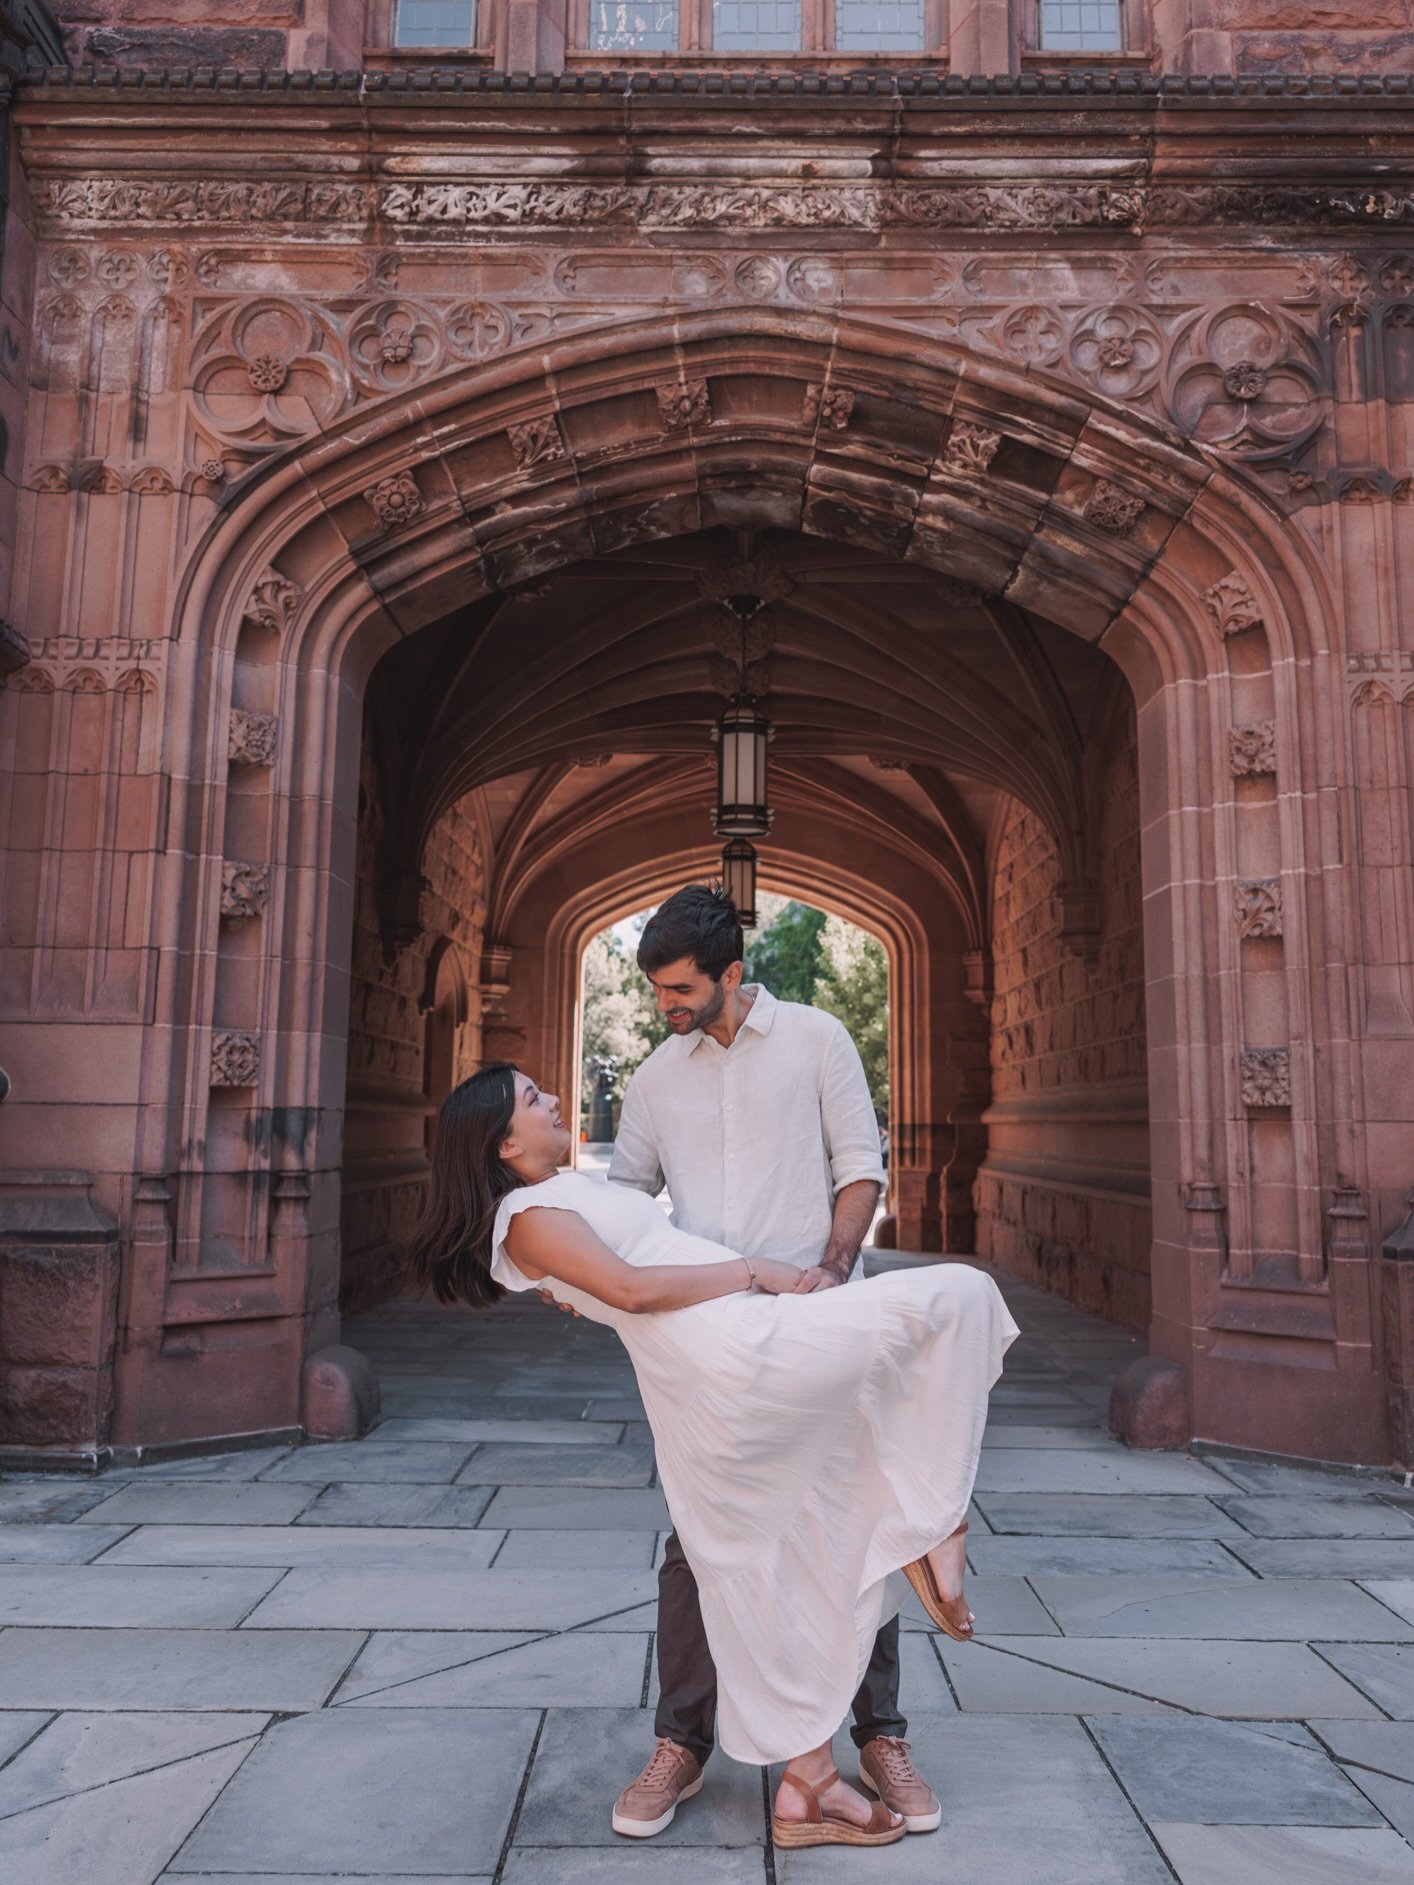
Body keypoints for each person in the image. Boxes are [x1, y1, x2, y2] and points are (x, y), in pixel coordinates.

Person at [410, 1060, 1018, 1851]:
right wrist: (754, 1271)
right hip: (728, 1354)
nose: (553, 1097)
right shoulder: (525, 1215)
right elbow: (628, 1288)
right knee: (956, 1302)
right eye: (532, 1098)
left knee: (781, 1555)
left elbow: (612, 1271)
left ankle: (809, 1784)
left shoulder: (553, 1199)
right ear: (501, 1143)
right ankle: (936, 1522)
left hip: (717, 1358)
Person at [606, 884, 943, 1838]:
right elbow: (627, 1198)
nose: (665, 1007)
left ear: (730, 974)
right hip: (710, 1349)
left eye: (678, 989)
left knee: (856, 1525)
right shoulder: (655, 1078)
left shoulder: (817, 1041)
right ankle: (682, 1741)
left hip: (821, 1329)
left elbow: (859, 1166)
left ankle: (879, 1736)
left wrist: (833, 1270)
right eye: (657, 991)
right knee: (695, 1542)